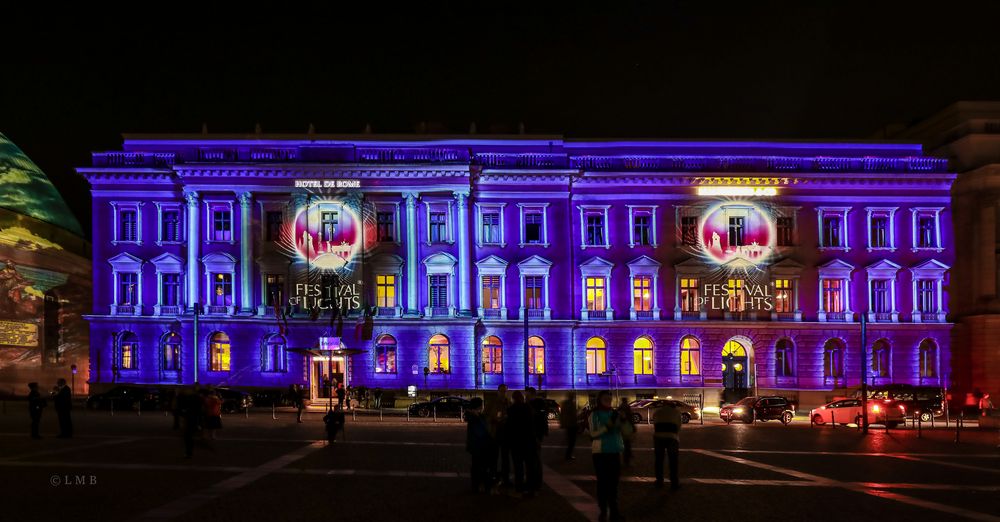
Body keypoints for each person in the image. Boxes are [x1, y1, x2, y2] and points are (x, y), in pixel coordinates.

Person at [589, 390, 624, 522]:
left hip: (614, 451)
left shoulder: (614, 413)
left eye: (610, 399)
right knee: (603, 483)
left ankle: (614, 512)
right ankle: (603, 511)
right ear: (599, 400)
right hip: (601, 453)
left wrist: (624, 421)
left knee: (614, 484)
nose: (608, 401)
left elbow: (624, 431)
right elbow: (593, 434)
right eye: (605, 399)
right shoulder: (594, 414)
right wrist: (608, 426)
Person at [505, 391, 534, 496]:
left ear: (513, 398)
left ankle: (519, 488)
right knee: (529, 465)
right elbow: (531, 425)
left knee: (518, 466)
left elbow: (508, 427)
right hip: (527, 441)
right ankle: (530, 487)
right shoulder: (528, 408)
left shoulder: (510, 410)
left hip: (515, 442)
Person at [652, 401, 682, 491]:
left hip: (658, 437)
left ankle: (659, 481)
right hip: (672, 437)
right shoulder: (677, 412)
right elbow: (679, 426)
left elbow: (655, 424)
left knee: (659, 460)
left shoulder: (658, 412)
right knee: (673, 461)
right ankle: (674, 483)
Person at [486, 384, 512, 488]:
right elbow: (485, 415)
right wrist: (493, 420)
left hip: (506, 434)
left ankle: (505, 478)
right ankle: (493, 476)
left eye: (505, 391)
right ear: (498, 392)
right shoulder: (492, 402)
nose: (503, 393)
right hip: (495, 432)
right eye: (501, 391)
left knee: (505, 458)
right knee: (494, 457)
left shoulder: (509, 403)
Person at [465, 397, 492, 493]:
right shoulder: (475, 417)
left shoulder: (475, 416)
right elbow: (480, 431)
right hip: (479, 445)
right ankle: (479, 485)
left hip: (476, 445)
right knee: (480, 466)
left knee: (477, 466)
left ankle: (476, 485)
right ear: (479, 406)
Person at [524, 387, 547, 494]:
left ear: (532, 395)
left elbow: (540, 421)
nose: (526, 397)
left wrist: (539, 436)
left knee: (534, 460)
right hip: (533, 436)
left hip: (535, 436)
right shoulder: (534, 405)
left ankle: (535, 483)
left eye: (527, 395)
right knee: (533, 460)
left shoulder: (536, 405)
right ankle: (534, 482)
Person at [179, 385, 202, 458]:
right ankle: (189, 452)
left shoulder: (190, 398)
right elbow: (199, 409)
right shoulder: (197, 397)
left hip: (190, 418)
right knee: (189, 436)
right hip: (193, 418)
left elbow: (182, 407)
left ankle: (189, 452)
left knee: (188, 436)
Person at [617, 398, 635, 467]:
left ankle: (625, 459)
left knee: (624, 445)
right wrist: (633, 427)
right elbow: (630, 418)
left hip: (622, 429)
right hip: (626, 428)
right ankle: (626, 460)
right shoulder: (627, 407)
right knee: (627, 445)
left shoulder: (620, 407)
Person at [560, 394, 579, 461]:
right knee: (572, 441)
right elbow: (574, 415)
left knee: (569, 440)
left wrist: (562, 423)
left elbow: (562, 414)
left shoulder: (564, 404)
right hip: (572, 424)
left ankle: (568, 455)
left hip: (567, 424)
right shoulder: (571, 404)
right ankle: (568, 456)